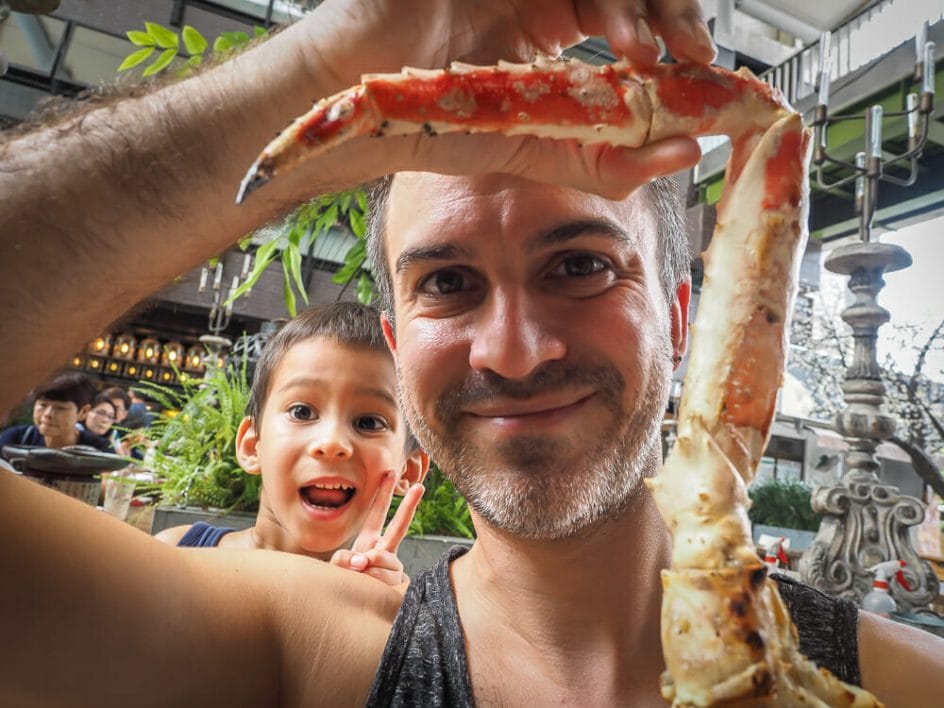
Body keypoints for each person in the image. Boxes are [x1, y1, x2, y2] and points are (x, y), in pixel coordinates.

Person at [0, 1, 941, 706]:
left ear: (679, 315)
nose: (516, 353)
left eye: (580, 265)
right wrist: (327, 67)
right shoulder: (298, 648)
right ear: (401, 344)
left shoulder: (907, 683)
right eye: (447, 283)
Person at [155, 302, 429, 586]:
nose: (332, 442)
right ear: (252, 445)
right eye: (302, 412)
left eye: (368, 423)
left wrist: (371, 616)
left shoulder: (391, 608)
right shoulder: (175, 554)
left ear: (407, 471)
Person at [0, 371, 113, 452]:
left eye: (60, 408)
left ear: (83, 412)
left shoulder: (100, 451)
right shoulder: (15, 439)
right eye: (42, 405)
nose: (47, 414)